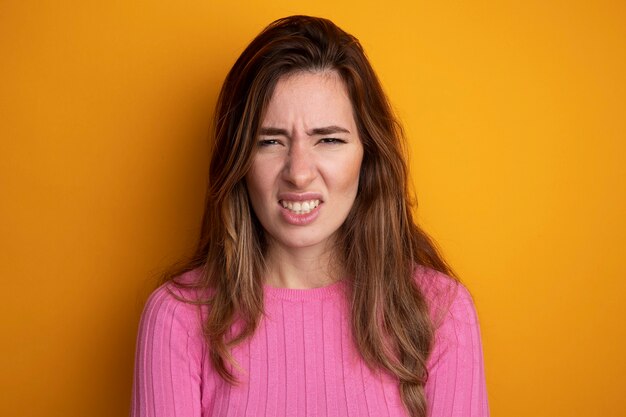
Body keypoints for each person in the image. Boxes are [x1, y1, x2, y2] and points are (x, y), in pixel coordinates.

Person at [130, 15, 489, 417]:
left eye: (329, 139)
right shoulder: (177, 319)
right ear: (239, 160)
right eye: (270, 141)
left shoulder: (440, 314)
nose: (298, 172)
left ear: (367, 155)